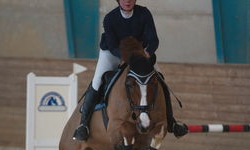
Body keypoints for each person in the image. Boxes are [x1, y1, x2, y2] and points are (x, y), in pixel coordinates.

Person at [73, 0, 188, 141]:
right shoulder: (110, 18)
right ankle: (83, 124)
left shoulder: (144, 13)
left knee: (159, 78)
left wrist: (148, 52)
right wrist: (126, 57)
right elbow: (113, 45)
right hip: (112, 53)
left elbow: (154, 39)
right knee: (97, 80)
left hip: (140, 54)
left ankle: (171, 122)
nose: (127, 1)